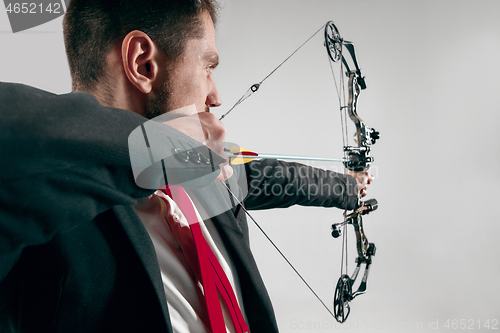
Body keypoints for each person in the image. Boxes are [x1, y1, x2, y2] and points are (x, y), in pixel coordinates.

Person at [0, 0, 373, 332]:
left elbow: (272, 177)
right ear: (143, 64)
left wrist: (347, 186)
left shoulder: (200, 175)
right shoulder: (46, 209)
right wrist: (152, 148)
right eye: (208, 66)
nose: (215, 95)